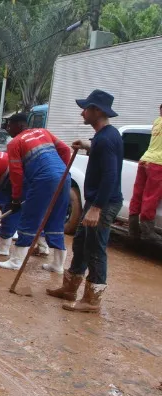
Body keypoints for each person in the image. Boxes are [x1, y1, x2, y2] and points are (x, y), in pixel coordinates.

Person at [47, 90, 123, 313]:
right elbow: (106, 158)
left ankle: (92, 301)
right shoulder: (105, 137)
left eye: (86, 108)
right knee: (80, 243)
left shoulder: (106, 139)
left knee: (95, 249)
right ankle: (69, 289)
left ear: (96, 111)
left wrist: (96, 208)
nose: (82, 112)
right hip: (97, 200)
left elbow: (110, 175)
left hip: (103, 202)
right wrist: (88, 146)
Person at [0, 113, 71, 271]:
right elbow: (65, 150)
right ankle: (58, 265)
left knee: (30, 218)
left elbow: (16, 174)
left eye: (10, 125)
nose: (8, 129)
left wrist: (16, 198)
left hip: (43, 179)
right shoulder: (43, 132)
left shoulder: (14, 143)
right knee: (56, 219)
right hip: (64, 177)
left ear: (20, 125)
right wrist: (61, 171)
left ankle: (16, 261)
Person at [128, 103, 162, 241]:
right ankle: (148, 231)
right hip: (158, 162)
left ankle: (133, 229)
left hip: (145, 159)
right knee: (150, 196)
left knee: (138, 194)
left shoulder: (157, 121)